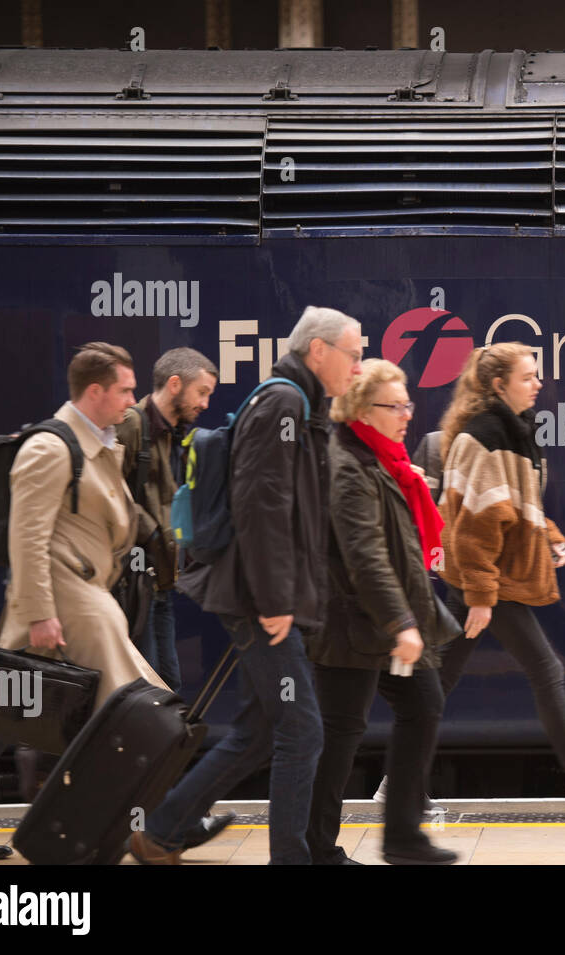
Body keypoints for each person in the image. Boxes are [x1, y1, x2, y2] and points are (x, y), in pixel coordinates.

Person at [128, 307, 363, 865]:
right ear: (319, 352)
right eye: (353, 354)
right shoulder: (282, 403)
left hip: (268, 596)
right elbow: (262, 506)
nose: (359, 365)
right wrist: (275, 597)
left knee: (259, 732)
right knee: (303, 730)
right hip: (259, 599)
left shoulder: (300, 405)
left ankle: (163, 830)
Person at [0, 343, 168, 860]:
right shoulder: (52, 447)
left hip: (75, 598)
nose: (133, 401)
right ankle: (163, 822)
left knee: (3, 717)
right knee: (127, 708)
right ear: (95, 391)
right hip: (56, 605)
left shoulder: (99, 442)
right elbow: (27, 536)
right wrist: (40, 613)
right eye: (126, 390)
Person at [433, 343, 565, 811]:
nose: (538, 384)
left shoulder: (514, 431)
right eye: (527, 376)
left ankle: (397, 787)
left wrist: (548, 534)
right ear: (497, 384)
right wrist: (483, 596)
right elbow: (473, 525)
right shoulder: (486, 435)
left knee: (438, 680)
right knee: (545, 669)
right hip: (487, 582)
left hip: (485, 580)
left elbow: (516, 505)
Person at [306, 359, 461, 865]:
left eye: (407, 404)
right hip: (354, 624)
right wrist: (403, 623)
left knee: (423, 706)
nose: (406, 415)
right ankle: (317, 848)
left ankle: (402, 837)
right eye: (393, 406)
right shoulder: (349, 467)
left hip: (384, 622)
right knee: (341, 733)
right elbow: (365, 555)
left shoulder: (383, 461)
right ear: (360, 408)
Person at [116, 346, 219, 693]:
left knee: (168, 688)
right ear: (175, 384)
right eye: (201, 392)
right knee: (149, 691)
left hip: (160, 584)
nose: (205, 403)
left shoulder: (177, 435)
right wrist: (155, 533)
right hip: (132, 586)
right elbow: (110, 495)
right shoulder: (133, 424)